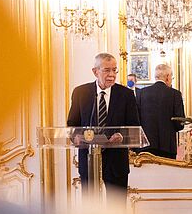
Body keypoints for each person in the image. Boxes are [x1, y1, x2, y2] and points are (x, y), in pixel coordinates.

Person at [66, 53, 141, 195]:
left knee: (117, 208)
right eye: (107, 70)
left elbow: (134, 125)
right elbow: (72, 124)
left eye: (114, 70)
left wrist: (120, 135)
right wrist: (76, 137)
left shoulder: (126, 94)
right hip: (89, 160)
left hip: (116, 161)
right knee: (91, 208)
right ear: (95, 71)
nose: (112, 75)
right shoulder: (80, 92)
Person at [136, 63, 185, 159]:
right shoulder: (175, 94)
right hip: (167, 147)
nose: (171, 80)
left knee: (146, 174)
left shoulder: (141, 93)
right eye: (171, 77)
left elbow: (136, 119)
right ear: (167, 77)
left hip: (145, 147)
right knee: (167, 173)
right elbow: (180, 121)